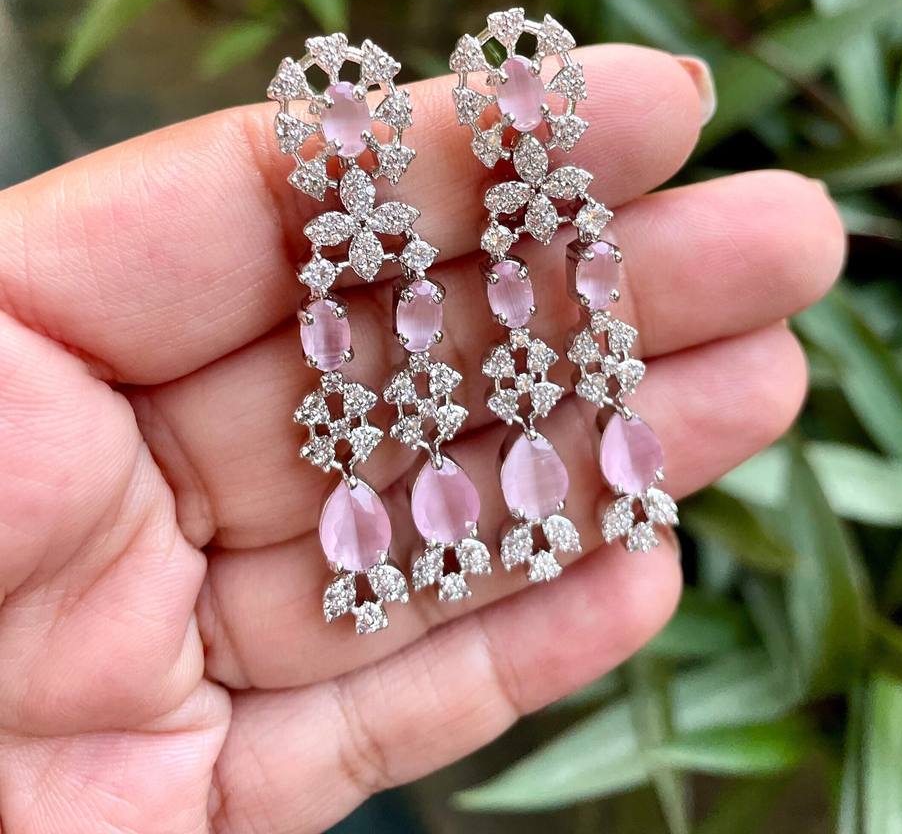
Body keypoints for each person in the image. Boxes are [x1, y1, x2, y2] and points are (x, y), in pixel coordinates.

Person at [0, 45, 844, 833]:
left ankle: (571, 510)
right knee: (401, 391)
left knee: (545, 376)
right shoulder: (346, 238)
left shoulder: (520, 208)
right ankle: (401, 563)